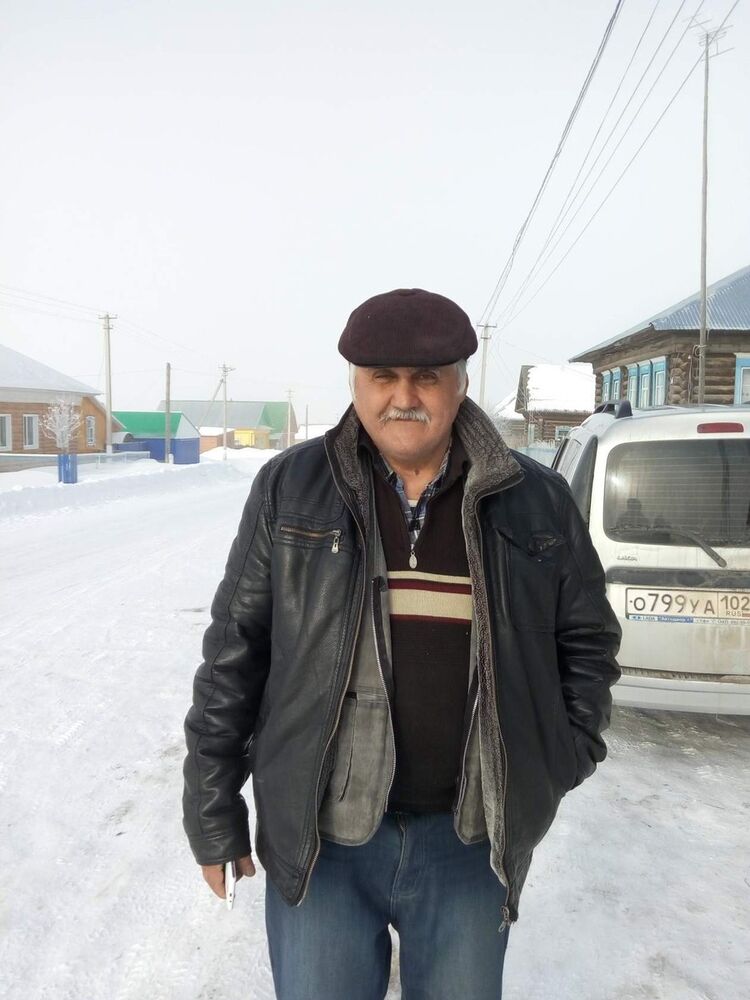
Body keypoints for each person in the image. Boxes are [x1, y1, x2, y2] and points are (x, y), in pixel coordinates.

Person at [182, 287, 621, 999]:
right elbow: (235, 652)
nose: (403, 397)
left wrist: (558, 757)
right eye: (382, 377)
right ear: (356, 384)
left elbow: (588, 642)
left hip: (469, 841)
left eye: (426, 377)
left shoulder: (534, 500)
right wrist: (213, 812)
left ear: (461, 383)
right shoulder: (291, 489)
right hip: (322, 843)